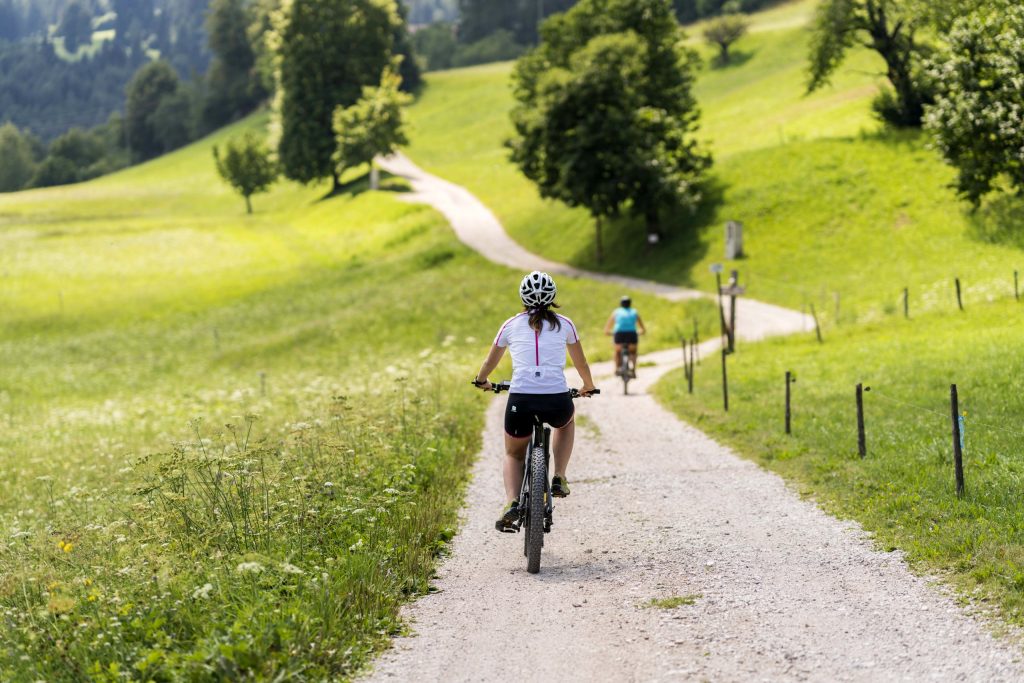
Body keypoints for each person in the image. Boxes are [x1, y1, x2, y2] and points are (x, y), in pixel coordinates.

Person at [473, 271, 597, 531]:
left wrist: (482, 380)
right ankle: (560, 476)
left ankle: (511, 502)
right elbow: (581, 362)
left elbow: (489, 362)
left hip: (521, 400)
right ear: (553, 297)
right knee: (565, 422)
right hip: (556, 399)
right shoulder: (565, 324)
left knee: (513, 454)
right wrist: (588, 386)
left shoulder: (510, 325)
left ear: (522, 297)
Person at [604, 296, 646, 377]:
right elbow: (643, 329)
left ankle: (616, 369)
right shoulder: (634, 312)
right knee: (633, 352)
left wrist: (609, 333)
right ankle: (633, 370)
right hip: (632, 334)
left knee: (617, 351)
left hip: (619, 334)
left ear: (621, 304)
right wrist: (640, 332)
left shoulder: (616, 312)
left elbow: (607, 329)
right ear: (630, 304)